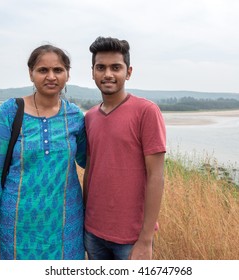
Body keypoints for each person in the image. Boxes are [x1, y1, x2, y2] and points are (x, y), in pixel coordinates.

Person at [0, 44, 87, 260]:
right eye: (43, 70)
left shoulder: (74, 117)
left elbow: (90, 161)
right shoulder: (10, 112)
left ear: (67, 74)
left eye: (58, 70)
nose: (51, 77)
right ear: (31, 74)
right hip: (15, 227)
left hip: (66, 226)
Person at [83, 36, 166, 260]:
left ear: (128, 72)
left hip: (132, 237)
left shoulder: (146, 111)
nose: (108, 74)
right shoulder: (90, 117)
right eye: (101, 67)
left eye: (116, 67)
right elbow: (90, 171)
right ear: (92, 72)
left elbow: (156, 175)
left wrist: (146, 239)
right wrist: (84, 222)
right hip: (93, 231)